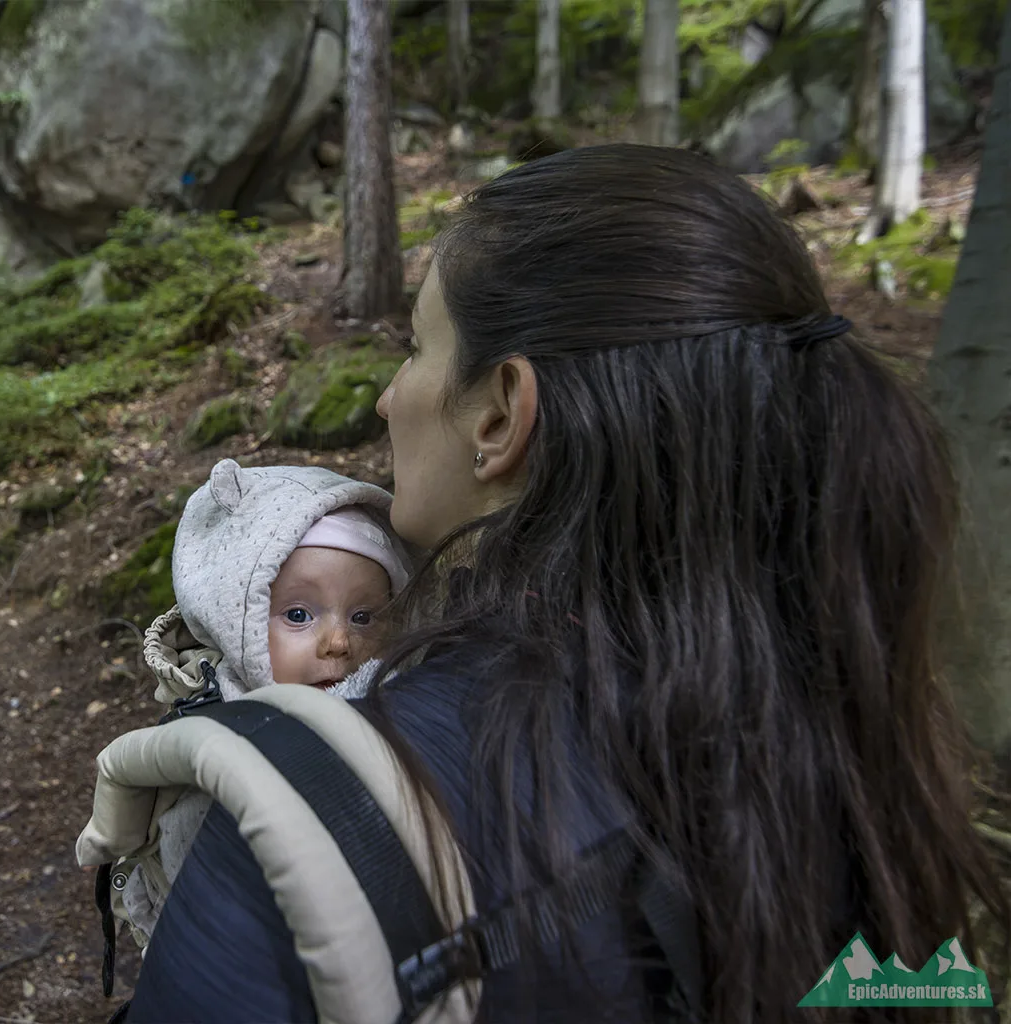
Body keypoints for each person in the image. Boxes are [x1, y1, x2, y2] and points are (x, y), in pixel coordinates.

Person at [122, 144, 1007, 1023]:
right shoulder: (839, 724)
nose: (390, 399)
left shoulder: (314, 823)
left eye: (417, 345)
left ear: (503, 412)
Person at [107, 458, 414, 950]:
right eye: (298, 614)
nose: (338, 641)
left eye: (362, 616)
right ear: (238, 622)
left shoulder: (409, 706)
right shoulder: (212, 739)